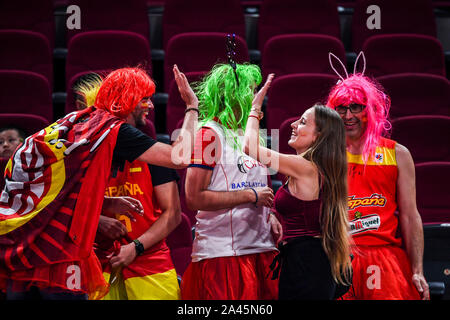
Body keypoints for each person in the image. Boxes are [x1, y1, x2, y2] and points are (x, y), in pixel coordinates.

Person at [0, 65, 198, 300]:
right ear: (129, 99)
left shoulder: (82, 124)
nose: (151, 106)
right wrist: (191, 107)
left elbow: (62, 188)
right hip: (74, 258)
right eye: (145, 99)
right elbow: (180, 157)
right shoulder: (113, 129)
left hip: (23, 237)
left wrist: (102, 203)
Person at [243, 74, 352, 300]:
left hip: (308, 264)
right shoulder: (312, 167)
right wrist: (274, 215)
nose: (293, 124)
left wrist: (255, 109)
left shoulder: (306, 167)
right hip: (307, 261)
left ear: (318, 136)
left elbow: (250, 147)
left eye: (302, 122)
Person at [74, 77, 182, 300]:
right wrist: (98, 220)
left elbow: (173, 214)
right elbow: (64, 206)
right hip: (97, 264)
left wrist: (136, 247)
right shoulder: (82, 153)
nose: (151, 106)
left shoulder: (154, 154)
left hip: (150, 263)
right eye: (144, 100)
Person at [181, 63, 282, 300]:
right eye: (250, 89)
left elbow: (259, 187)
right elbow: (194, 198)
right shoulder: (209, 134)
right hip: (224, 254)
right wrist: (249, 195)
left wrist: (271, 214)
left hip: (261, 249)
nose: (255, 96)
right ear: (231, 94)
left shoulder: (249, 135)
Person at [326, 69, 429, 300]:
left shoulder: (398, 154)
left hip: (384, 257)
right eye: (341, 108)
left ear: (370, 110)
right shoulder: (324, 155)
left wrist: (417, 270)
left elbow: (410, 216)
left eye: (356, 107)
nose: (348, 115)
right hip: (338, 255)